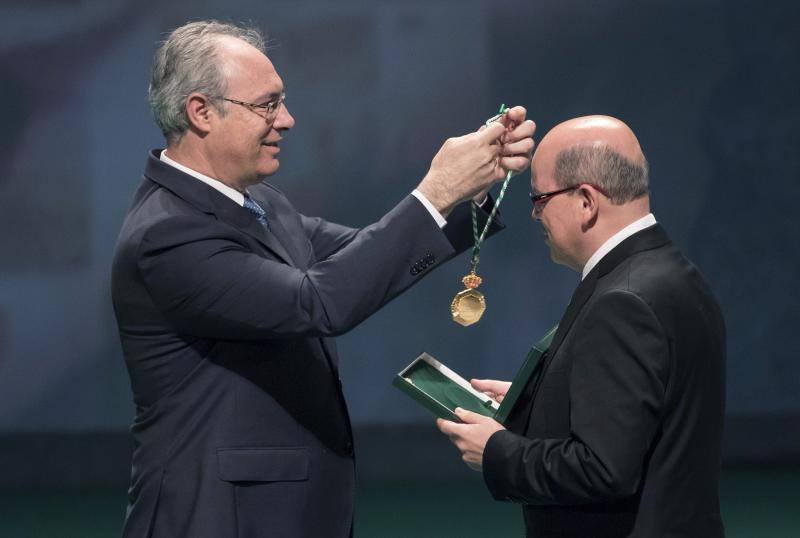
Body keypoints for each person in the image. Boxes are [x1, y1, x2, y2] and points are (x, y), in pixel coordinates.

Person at [111, 20, 535, 538]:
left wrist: (469, 190)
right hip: (222, 518)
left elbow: (361, 257)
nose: (287, 120)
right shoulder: (169, 235)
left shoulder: (259, 202)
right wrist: (436, 190)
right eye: (266, 105)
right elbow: (321, 302)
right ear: (200, 112)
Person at [437, 116, 726, 537]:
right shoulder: (674, 273)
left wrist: (497, 451)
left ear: (586, 201)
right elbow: (644, 416)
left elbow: (604, 469)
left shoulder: (621, 300)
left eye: (538, 198)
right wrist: (533, 404)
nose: (535, 214)